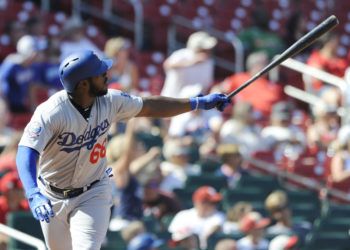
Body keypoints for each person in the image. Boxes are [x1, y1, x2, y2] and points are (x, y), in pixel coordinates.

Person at [15, 50, 230, 250]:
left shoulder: (111, 100)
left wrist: (197, 103)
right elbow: (26, 151)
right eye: (100, 73)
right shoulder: (51, 112)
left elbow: (150, 106)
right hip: (52, 195)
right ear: (83, 85)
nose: (106, 74)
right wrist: (33, 193)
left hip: (93, 191)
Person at [161, 31, 217, 98]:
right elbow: (167, 65)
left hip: (194, 103)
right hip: (172, 99)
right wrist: (191, 62)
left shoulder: (209, 62)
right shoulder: (182, 54)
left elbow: (206, 85)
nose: (208, 50)